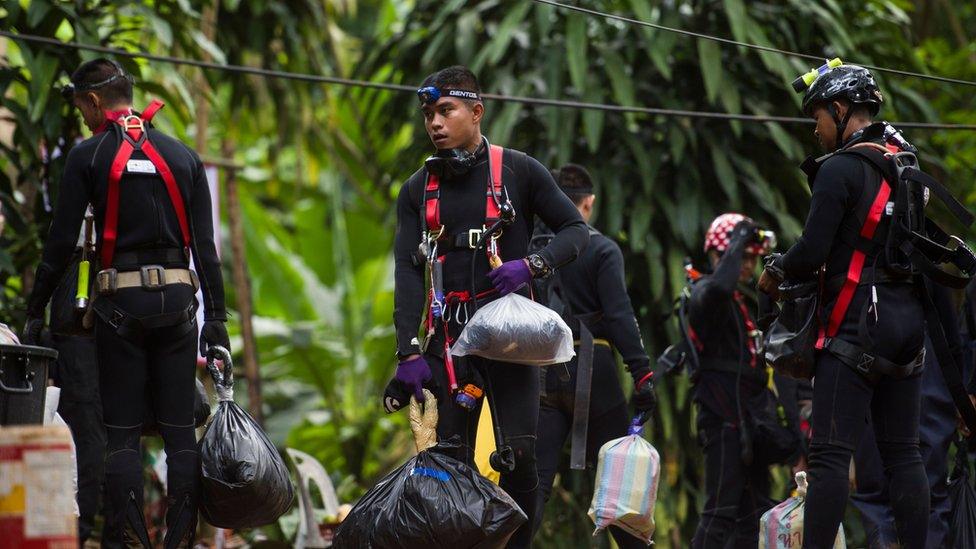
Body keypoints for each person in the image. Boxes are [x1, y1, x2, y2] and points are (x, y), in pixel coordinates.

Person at [22, 58, 229, 548]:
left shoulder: (87, 156)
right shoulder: (183, 157)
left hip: (122, 307)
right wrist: (215, 320)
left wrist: (36, 308)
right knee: (180, 433)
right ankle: (179, 539)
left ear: (94, 101)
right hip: (180, 304)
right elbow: (206, 247)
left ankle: (128, 539)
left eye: (80, 108)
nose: (82, 119)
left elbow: (59, 243)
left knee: (122, 435)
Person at [387, 65, 589, 547]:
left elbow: (575, 232)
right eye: (428, 114)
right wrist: (408, 353)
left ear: (476, 112)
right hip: (450, 344)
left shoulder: (519, 170)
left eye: (446, 111)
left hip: (510, 342)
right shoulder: (417, 190)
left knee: (519, 460)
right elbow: (407, 271)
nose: (434, 123)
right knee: (449, 467)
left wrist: (532, 265)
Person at [758, 64, 931, 548]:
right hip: (906, 324)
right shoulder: (908, 165)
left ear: (841, 109)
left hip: (856, 323)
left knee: (831, 454)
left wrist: (775, 271)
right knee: (904, 454)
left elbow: (813, 251)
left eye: (819, 116)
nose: (816, 129)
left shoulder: (839, 169)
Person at [528, 164, 655, 548]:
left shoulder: (532, 251)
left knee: (535, 484)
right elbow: (619, 316)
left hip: (542, 370)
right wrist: (642, 373)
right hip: (593, 368)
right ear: (589, 203)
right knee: (618, 482)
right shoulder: (600, 248)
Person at [687, 213, 778, 548]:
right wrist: (738, 239)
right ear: (721, 256)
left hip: (748, 423)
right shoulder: (705, 293)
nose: (748, 264)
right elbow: (719, 287)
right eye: (743, 257)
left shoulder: (739, 301)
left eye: (754, 258)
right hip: (722, 421)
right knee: (720, 512)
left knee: (755, 514)